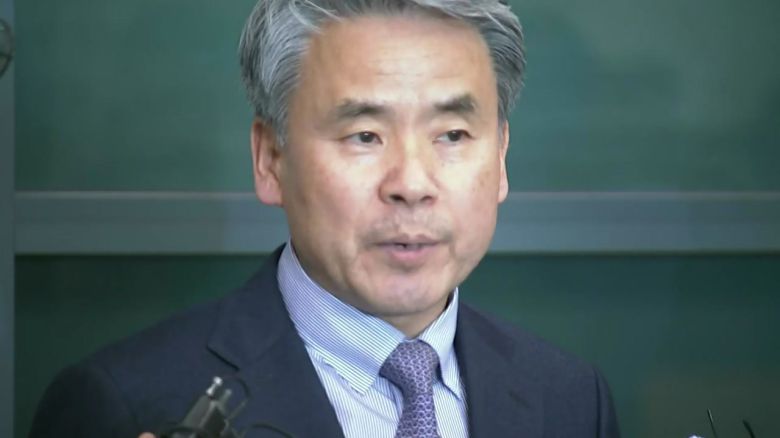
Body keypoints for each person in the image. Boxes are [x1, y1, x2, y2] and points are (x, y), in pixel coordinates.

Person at [30, 1, 620, 437]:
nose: (412, 184)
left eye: (453, 134)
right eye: (364, 135)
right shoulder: (126, 403)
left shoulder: (571, 398)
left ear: (501, 156)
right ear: (271, 159)